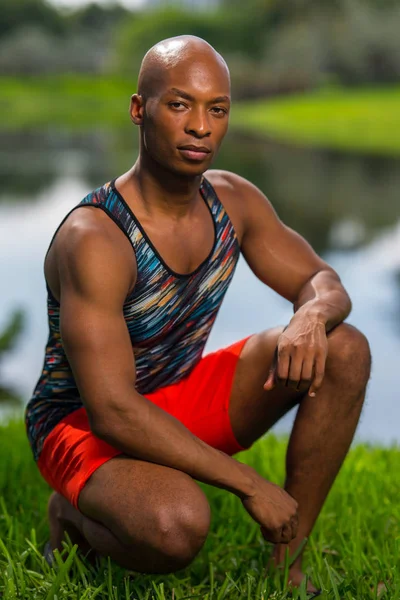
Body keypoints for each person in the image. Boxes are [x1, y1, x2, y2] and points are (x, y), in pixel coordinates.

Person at [25, 35, 371, 596]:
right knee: (174, 525)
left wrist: (311, 315)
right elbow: (111, 410)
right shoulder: (96, 237)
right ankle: (70, 515)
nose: (201, 127)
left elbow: (322, 281)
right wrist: (250, 485)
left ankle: (287, 568)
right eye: (180, 104)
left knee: (346, 346)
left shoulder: (233, 200)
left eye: (218, 109)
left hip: (177, 396)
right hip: (82, 423)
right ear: (141, 109)